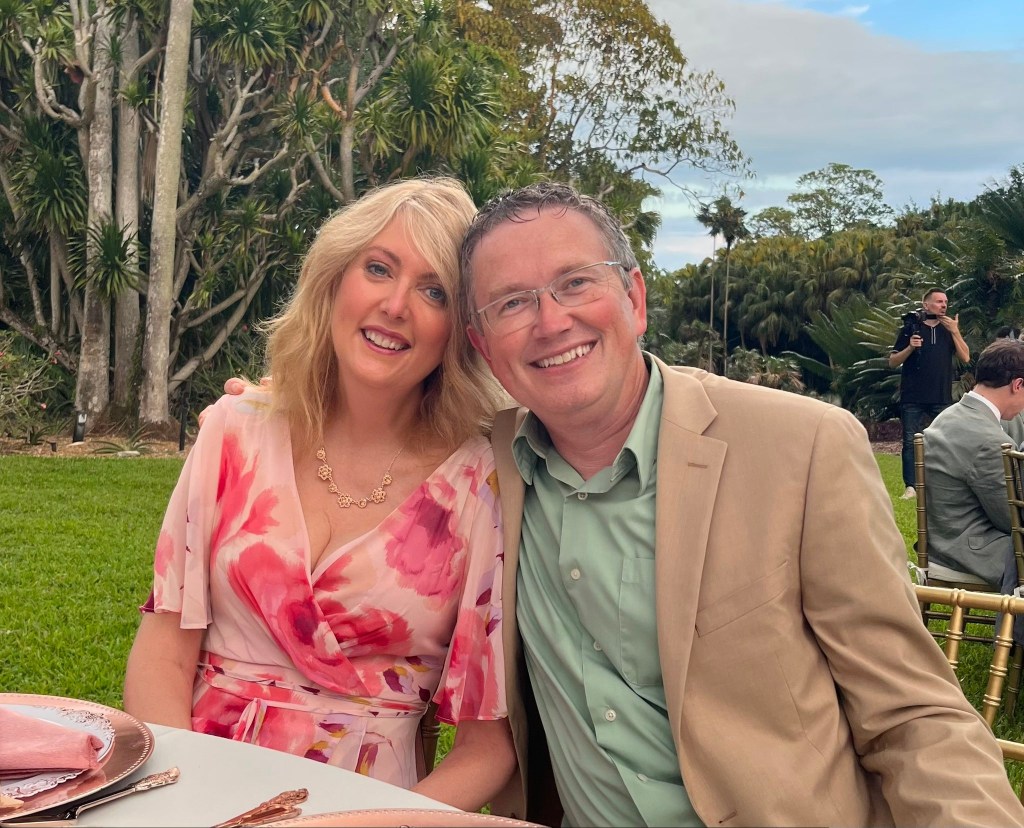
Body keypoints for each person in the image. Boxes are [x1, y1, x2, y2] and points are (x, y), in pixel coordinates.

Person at [459, 182, 1024, 826]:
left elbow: (913, 713)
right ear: (482, 346)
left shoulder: (800, 448)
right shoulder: (483, 472)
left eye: (576, 282)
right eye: (510, 303)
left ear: (635, 299)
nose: (551, 320)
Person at [123, 177, 517, 811]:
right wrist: (183, 803)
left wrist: (379, 826)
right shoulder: (233, 431)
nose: (395, 304)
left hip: (370, 810)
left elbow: (487, 746)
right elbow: (162, 657)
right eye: (379, 268)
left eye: (434, 290)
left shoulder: (481, 486)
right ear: (335, 279)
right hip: (197, 788)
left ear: (460, 330)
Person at [922, 339, 1024, 589]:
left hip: (944, 538)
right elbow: (1014, 519)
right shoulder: (989, 440)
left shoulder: (953, 414)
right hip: (973, 550)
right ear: (1018, 385)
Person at [889, 288, 970, 499]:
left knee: (946, 442)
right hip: (912, 397)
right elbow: (892, 361)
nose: (943, 305)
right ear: (926, 305)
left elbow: (966, 357)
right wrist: (910, 348)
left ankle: (945, 485)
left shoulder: (948, 329)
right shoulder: (911, 328)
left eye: (945, 302)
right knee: (909, 442)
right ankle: (911, 487)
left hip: (941, 397)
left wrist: (955, 331)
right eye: (938, 301)